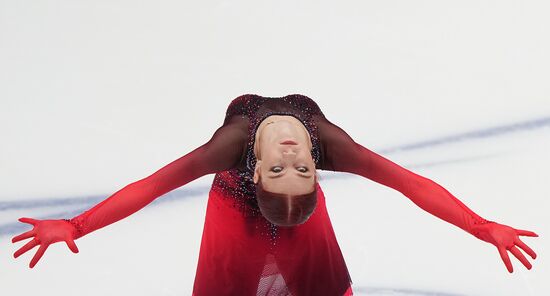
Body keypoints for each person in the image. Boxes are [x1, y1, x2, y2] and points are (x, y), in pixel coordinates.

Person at [12, 94, 539, 296]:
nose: (291, 150)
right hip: (235, 213)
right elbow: (154, 185)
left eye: (299, 165)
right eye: (293, 165)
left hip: (298, 217)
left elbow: (411, 186)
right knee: (236, 282)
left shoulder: (302, 146)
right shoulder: (230, 149)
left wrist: (479, 226)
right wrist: (75, 227)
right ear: (255, 168)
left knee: (312, 277)